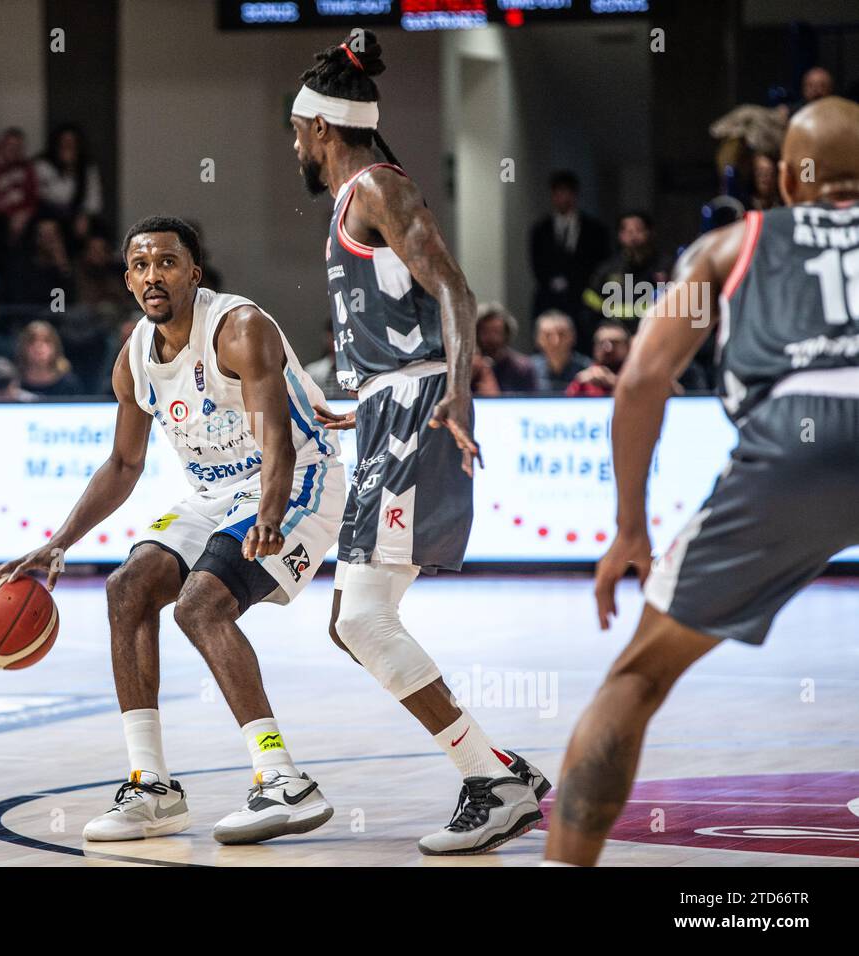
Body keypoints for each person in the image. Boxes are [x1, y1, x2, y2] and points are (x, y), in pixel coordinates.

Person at [546, 96, 859, 866]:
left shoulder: (725, 247)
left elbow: (641, 380)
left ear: (784, 178)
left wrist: (629, 526)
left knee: (635, 679)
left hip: (792, 444)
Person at [0, 216, 347, 845]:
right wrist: (59, 541)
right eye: (140, 265)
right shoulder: (133, 357)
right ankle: (151, 786)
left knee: (201, 606)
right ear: (128, 279)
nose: (153, 275)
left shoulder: (238, 329)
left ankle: (281, 778)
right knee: (126, 587)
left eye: (166, 263)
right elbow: (125, 464)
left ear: (193, 272)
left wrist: (268, 514)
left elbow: (277, 442)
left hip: (295, 482)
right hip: (216, 495)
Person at [290, 31, 548, 856]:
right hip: (386, 407)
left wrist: (457, 395)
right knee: (354, 621)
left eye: (296, 130)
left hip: (417, 408)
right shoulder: (356, 198)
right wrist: (360, 403)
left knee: (362, 621)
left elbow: (458, 295)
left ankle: (490, 780)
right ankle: (501, 766)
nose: (292, 145)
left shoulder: (376, 186)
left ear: (322, 129)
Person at [529, 170, 610, 330]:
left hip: (583, 298)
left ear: (575, 195)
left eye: (567, 192)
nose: (563, 198)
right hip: (549, 297)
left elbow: (601, 262)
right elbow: (536, 263)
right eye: (558, 193)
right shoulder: (540, 229)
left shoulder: (594, 229)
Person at [475, 302, 536, 393]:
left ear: (507, 334)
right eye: (485, 332)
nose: (491, 338)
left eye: (496, 332)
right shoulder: (468, 369)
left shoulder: (522, 368)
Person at [14, 319, 84, 397]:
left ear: (55, 347)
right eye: (32, 341)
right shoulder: (13, 382)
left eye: (46, 341)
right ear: (23, 347)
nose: (38, 346)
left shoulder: (69, 384)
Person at [565, 319, 630, 397]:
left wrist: (613, 382)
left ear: (627, 346)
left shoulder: (639, 374)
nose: (608, 348)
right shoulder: (584, 380)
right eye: (602, 343)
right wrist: (579, 381)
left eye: (615, 342)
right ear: (595, 348)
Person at [531, 309, 591, 393]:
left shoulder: (588, 369)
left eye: (561, 334)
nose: (555, 341)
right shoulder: (528, 371)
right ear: (538, 339)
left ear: (573, 337)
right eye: (548, 335)